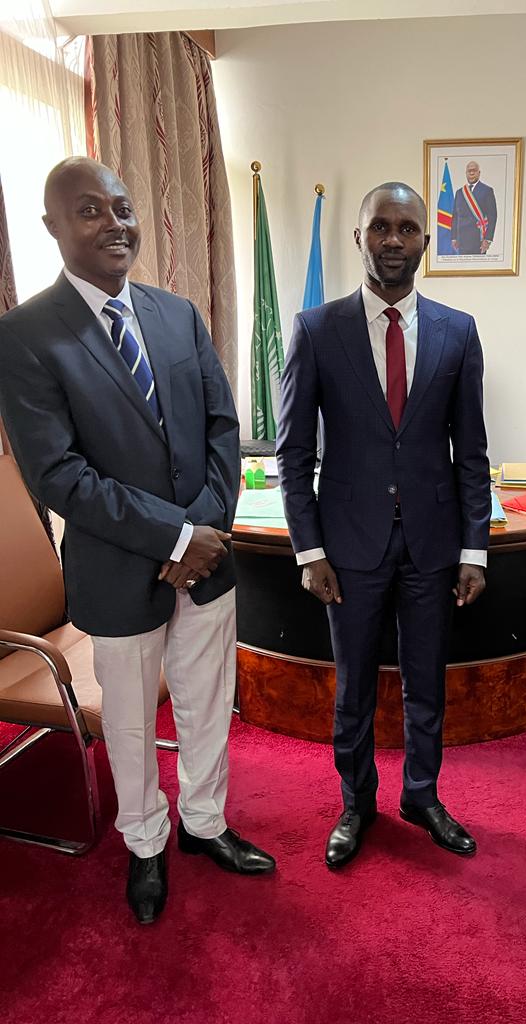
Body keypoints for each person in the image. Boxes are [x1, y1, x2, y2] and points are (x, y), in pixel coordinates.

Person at [0, 158, 275, 925]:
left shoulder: (177, 314)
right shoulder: (24, 336)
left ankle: (205, 824)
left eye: (121, 207)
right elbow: (59, 475)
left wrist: (206, 530)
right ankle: (145, 842)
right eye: (90, 210)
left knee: (207, 700)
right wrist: (176, 535)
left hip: (208, 559)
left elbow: (223, 429)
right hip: (118, 569)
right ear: (53, 226)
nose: (114, 223)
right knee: (128, 720)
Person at [277, 182, 490, 869]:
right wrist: (308, 549)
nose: (393, 239)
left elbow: (472, 450)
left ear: (425, 241)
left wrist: (475, 549)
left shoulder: (459, 331)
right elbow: (293, 453)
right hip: (348, 545)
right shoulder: (316, 329)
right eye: (380, 226)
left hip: (432, 542)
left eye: (406, 227)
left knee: (428, 681)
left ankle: (422, 796)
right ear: (359, 236)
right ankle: (356, 802)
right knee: (354, 687)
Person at [450, 161, 497, 256]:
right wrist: (454, 237)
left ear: (479, 173)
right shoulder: (460, 192)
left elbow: (492, 216)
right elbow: (455, 216)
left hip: (478, 240)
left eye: (474, 170)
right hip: (462, 241)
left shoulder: (487, 190)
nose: (471, 173)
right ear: (466, 173)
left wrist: (487, 239)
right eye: (469, 171)